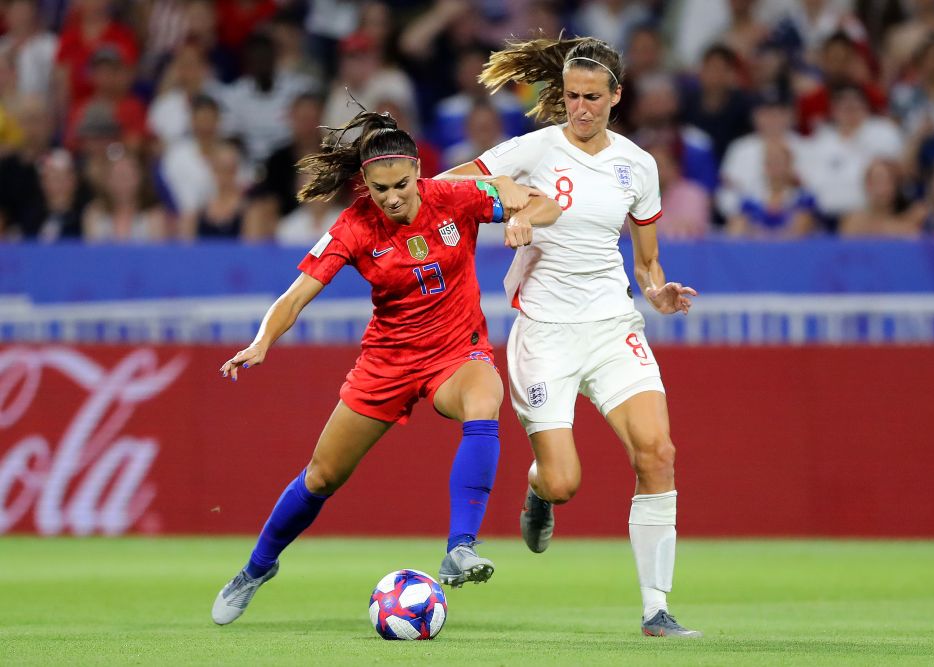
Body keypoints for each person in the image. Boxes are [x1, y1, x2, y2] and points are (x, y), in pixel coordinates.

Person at [210, 109, 561, 625]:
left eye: (401, 184)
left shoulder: (456, 197)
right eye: (380, 189)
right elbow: (297, 294)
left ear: (419, 172)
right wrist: (263, 341)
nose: (392, 197)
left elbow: (547, 203)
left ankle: (461, 547)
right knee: (322, 476)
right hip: (386, 364)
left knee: (484, 397)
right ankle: (256, 568)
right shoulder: (354, 225)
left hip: (454, 353)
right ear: (365, 184)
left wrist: (525, 215)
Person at [440, 35, 702, 638]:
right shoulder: (532, 148)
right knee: (564, 481)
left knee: (658, 453)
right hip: (546, 334)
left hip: (612, 324)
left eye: (592, 97)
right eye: (571, 97)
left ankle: (656, 610)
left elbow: (646, 261)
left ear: (616, 96)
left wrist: (657, 291)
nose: (580, 108)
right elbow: (446, 187)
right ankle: (539, 493)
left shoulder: (637, 166)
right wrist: (507, 204)